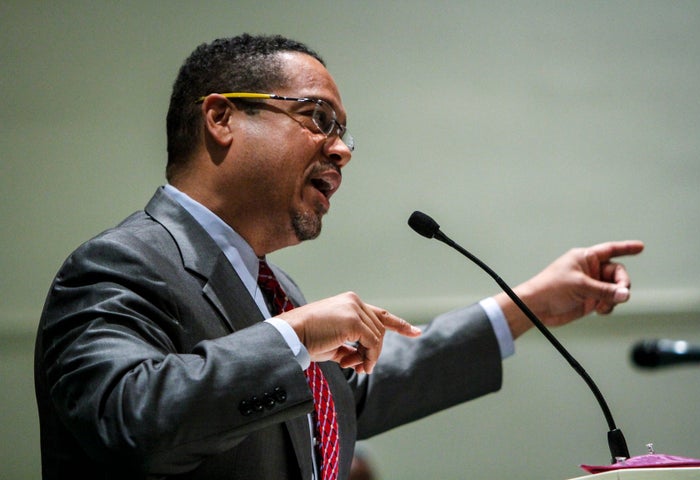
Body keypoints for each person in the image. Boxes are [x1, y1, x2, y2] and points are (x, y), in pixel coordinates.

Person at [34, 33, 644, 480]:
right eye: (318, 118)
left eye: (344, 132)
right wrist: (296, 334)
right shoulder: (120, 264)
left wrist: (527, 305)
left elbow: (350, 399)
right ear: (221, 117)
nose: (342, 150)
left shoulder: (271, 291)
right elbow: (127, 422)